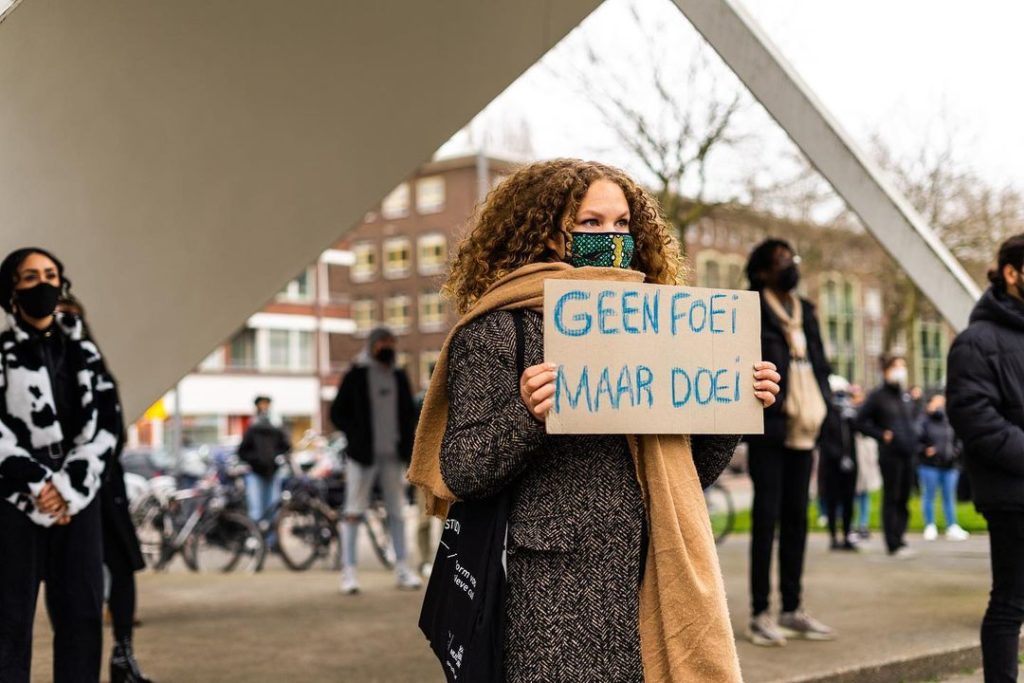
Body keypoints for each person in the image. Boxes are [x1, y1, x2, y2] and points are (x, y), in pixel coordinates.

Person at [408, 159, 781, 681]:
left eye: (622, 223)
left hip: (649, 577)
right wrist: (528, 415)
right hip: (552, 597)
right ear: (546, 232)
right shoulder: (497, 331)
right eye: (591, 223)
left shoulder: (657, 328)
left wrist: (733, 406)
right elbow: (464, 470)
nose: (612, 236)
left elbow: (692, 477)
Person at [0, 247, 121, 682]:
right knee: (8, 622)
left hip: (77, 503)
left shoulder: (84, 352)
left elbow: (108, 425)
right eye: (30, 277)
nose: (43, 285)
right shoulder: (1, 351)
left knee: (82, 619)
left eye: (50, 275)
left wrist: (68, 488)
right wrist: (36, 483)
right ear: (12, 290)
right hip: (14, 505)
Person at [743, 238, 835, 647]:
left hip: (807, 424)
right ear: (762, 270)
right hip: (771, 425)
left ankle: (792, 607)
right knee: (766, 516)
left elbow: (820, 365)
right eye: (782, 261)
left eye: (792, 259)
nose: (791, 266)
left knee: (797, 515)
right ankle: (760, 612)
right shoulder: (749, 309)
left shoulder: (807, 312)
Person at [56, 295, 152, 683]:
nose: (67, 323)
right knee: (68, 580)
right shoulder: (30, 365)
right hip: (56, 491)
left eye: (73, 317)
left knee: (121, 565)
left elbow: (117, 432)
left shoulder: (95, 370)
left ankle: (123, 654)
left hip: (104, 487)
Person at [946, 234, 1024, 683]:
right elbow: (975, 418)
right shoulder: (976, 341)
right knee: (1010, 604)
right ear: (1011, 273)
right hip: (1013, 496)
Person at [332, 326, 422, 593]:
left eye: (393, 343)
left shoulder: (398, 376)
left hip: (393, 456)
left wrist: (408, 447)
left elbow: (407, 415)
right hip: (363, 457)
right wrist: (357, 437)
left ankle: (403, 568)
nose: (390, 348)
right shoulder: (356, 375)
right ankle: (348, 572)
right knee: (353, 512)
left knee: (397, 513)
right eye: (385, 343)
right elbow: (338, 413)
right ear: (373, 345)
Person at [855, 355, 919, 557]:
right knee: (892, 497)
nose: (901, 369)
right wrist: (882, 435)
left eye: (903, 365)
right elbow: (859, 422)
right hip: (890, 455)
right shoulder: (877, 396)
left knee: (904, 498)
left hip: (908, 454)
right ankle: (892, 542)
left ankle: (900, 537)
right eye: (896, 366)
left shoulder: (904, 396)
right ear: (886, 370)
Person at [917, 392, 969, 542]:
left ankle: (952, 525)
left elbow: (958, 439)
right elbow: (916, 439)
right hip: (929, 465)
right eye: (937, 402)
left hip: (950, 465)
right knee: (929, 495)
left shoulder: (950, 420)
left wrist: (955, 451)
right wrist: (925, 450)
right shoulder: (923, 421)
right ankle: (930, 525)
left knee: (949, 496)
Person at [237, 396, 290, 535]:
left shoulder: (275, 427)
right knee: (256, 509)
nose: (264, 407)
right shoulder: (253, 428)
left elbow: (285, 446)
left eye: (266, 404)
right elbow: (242, 451)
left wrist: (275, 460)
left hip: (272, 472)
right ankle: (257, 540)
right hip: (255, 473)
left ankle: (271, 541)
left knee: (272, 508)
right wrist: (256, 461)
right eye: (262, 404)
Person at [820, 375, 858, 551]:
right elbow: (824, 440)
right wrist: (837, 456)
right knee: (833, 501)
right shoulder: (827, 414)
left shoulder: (849, 415)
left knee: (849, 501)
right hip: (832, 466)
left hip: (849, 467)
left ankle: (847, 533)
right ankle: (834, 536)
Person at [850, 384, 881, 539]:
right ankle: (853, 524)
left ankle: (863, 523)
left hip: (865, 454)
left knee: (864, 494)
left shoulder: (867, 413)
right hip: (855, 453)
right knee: (854, 493)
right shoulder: (849, 412)